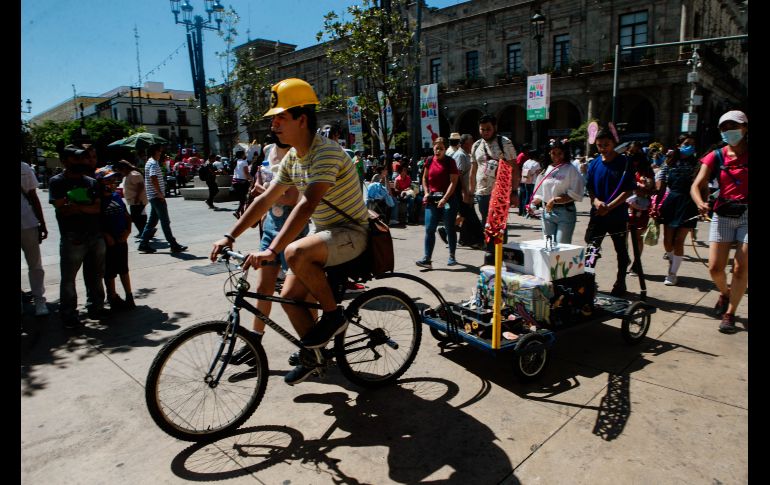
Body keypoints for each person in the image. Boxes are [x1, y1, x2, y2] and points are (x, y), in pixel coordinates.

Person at [210, 78, 369, 385]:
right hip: (324, 234)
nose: (274, 125)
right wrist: (230, 236)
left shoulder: (327, 153)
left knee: (293, 251)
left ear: (302, 119)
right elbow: (265, 200)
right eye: (274, 119)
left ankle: (333, 315)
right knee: (289, 297)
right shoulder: (294, 158)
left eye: (281, 117)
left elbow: (307, 204)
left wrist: (272, 250)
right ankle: (314, 356)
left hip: (352, 232)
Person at [691, 110, 748, 334]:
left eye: (733, 126)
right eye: (724, 128)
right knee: (715, 268)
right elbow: (696, 185)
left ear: (745, 128)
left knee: (741, 268)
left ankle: (730, 313)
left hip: (747, 215)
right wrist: (700, 202)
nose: (728, 131)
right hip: (722, 213)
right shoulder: (716, 156)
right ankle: (725, 293)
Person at [49, 145, 107, 328]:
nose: (81, 161)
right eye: (76, 158)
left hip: (95, 235)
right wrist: (84, 208)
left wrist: (77, 207)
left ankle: (96, 307)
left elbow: (96, 208)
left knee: (96, 275)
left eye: (82, 158)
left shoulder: (91, 182)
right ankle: (69, 314)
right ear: (64, 161)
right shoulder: (57, 182)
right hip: (73, 237)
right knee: (69, 279)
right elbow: (63, 209)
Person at [584, 129, 636, 296]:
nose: (603, 148)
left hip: (617, 216)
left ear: (614, 143)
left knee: (621, 251)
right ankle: (588, 281)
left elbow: (628, 190)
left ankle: (620, 282)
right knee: (592, 249)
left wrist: (610, 206)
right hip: (598, 215)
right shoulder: (594, 163)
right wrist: (597, 202)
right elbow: (590, 188)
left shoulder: (624, 163)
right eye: (599, 145)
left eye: (606, 145)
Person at [469, 114, 519, 262]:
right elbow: (473, 170)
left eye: (488, 129)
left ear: (495, 127)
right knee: (486, 224)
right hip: (482, 192)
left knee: (498, 225)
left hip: (500, 193)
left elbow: (514, 168)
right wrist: (470, 192)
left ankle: (499, 256)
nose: (485, 132)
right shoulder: (476, 145)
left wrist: (514, 192)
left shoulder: (505, 143)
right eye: (482, 129)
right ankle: (491, 254)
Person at [654, 136, 699, 285]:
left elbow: (702, 185)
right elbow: (661, 184)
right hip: (671, 202)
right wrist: (655, 204)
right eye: (686, 144)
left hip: (689, 204)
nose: (690, 146)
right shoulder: (670, 162)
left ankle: (672, 273)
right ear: (679, 145)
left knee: (679, 241)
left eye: (692, 144)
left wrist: (702, 203)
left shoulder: (697, 164)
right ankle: (672, 261)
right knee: (667, 241)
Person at [416, 137, 460, 269]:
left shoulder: (450, 161)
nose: (438, 151)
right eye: (436, 148)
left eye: (441, 148)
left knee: (449, 227)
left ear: (445, 149)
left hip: (448, 199)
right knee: (429, 229)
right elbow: (424, 178)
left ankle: (452, 255)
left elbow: (454, 181)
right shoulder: (429, 160)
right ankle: (427, 259)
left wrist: (445, 198)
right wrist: (426, 192)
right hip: (432, 199)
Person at [95, 167, 135, 310]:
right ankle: (112, 296)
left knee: (124, 268)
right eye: (108, 180)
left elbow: (126, 216)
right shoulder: (98, 200)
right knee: (109, 271)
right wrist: (106, 235)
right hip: (108, 242)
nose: (112, 183)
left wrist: (128, 231)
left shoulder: (116, 197)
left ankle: (129, 295)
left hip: (121, 238)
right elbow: (95, 222)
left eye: (113, 180)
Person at [529, 140, 585, 244]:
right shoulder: (546, 169)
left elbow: (575, 193)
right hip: (547, 213)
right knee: (548, 246)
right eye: (553, 153)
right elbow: (540, 193)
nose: (556, 156)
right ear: (549, 153)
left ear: (564, 153)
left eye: (560, 153)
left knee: (562, 247)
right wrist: (532, 204)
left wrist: (554, 200)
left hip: (565, 212)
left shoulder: (570, 169)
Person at [137, 144, 188, 253]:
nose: (161, 153)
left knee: (152, 222)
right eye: (159, 151)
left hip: (153, 196)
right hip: (156, 197)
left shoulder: (149, 162)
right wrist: (159, 193)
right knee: (165, 221)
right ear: (155, 152)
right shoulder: (153, 163)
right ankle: (173, 244)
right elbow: (153, 177)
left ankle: (143, 243)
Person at [21, 160, 50, 316]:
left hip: (28, 223)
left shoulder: (24, 167)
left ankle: (40, 300)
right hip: (28, 223)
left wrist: (42, 223)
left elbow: (33, 195)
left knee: (35, 264)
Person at [625, 143, 655, 275]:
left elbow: (650, 187)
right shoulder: (624, 166)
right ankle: (625, 259)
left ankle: (636, 263)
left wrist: (644, 184)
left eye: (636, 152)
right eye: (630, 152)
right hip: (625, 205)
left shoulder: (647, 170)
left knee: (637, 237)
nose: (632, 155)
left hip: (640, 207)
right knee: (623, 235)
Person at [113, 159, 148, 237]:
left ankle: (145, 232)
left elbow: (141, 186)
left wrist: (137, 197)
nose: (121, 173)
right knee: (140, 217)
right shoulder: (128, 175)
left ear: (124, 168)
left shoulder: (134, 175)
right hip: (133, 201)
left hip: (138, 200)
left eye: (121, 171)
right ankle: (144, 232)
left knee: (135, 217)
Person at [519, 150, 542, 218]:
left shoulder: (526, 162)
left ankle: (524, 212)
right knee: (532, 198)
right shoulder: (536, 163)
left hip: (526, 181)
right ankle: (529, 212)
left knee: (526, 196)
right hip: (534, 182)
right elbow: (538, 174)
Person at [232, 150, 252, 218]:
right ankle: (237, 212)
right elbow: (246, 173)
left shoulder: (236, 161)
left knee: (241, 199)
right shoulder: (244, 162)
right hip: (242, 182)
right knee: (243, 199)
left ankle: (241, 214)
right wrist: (252, 179)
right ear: (242, 155)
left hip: (235, 182)